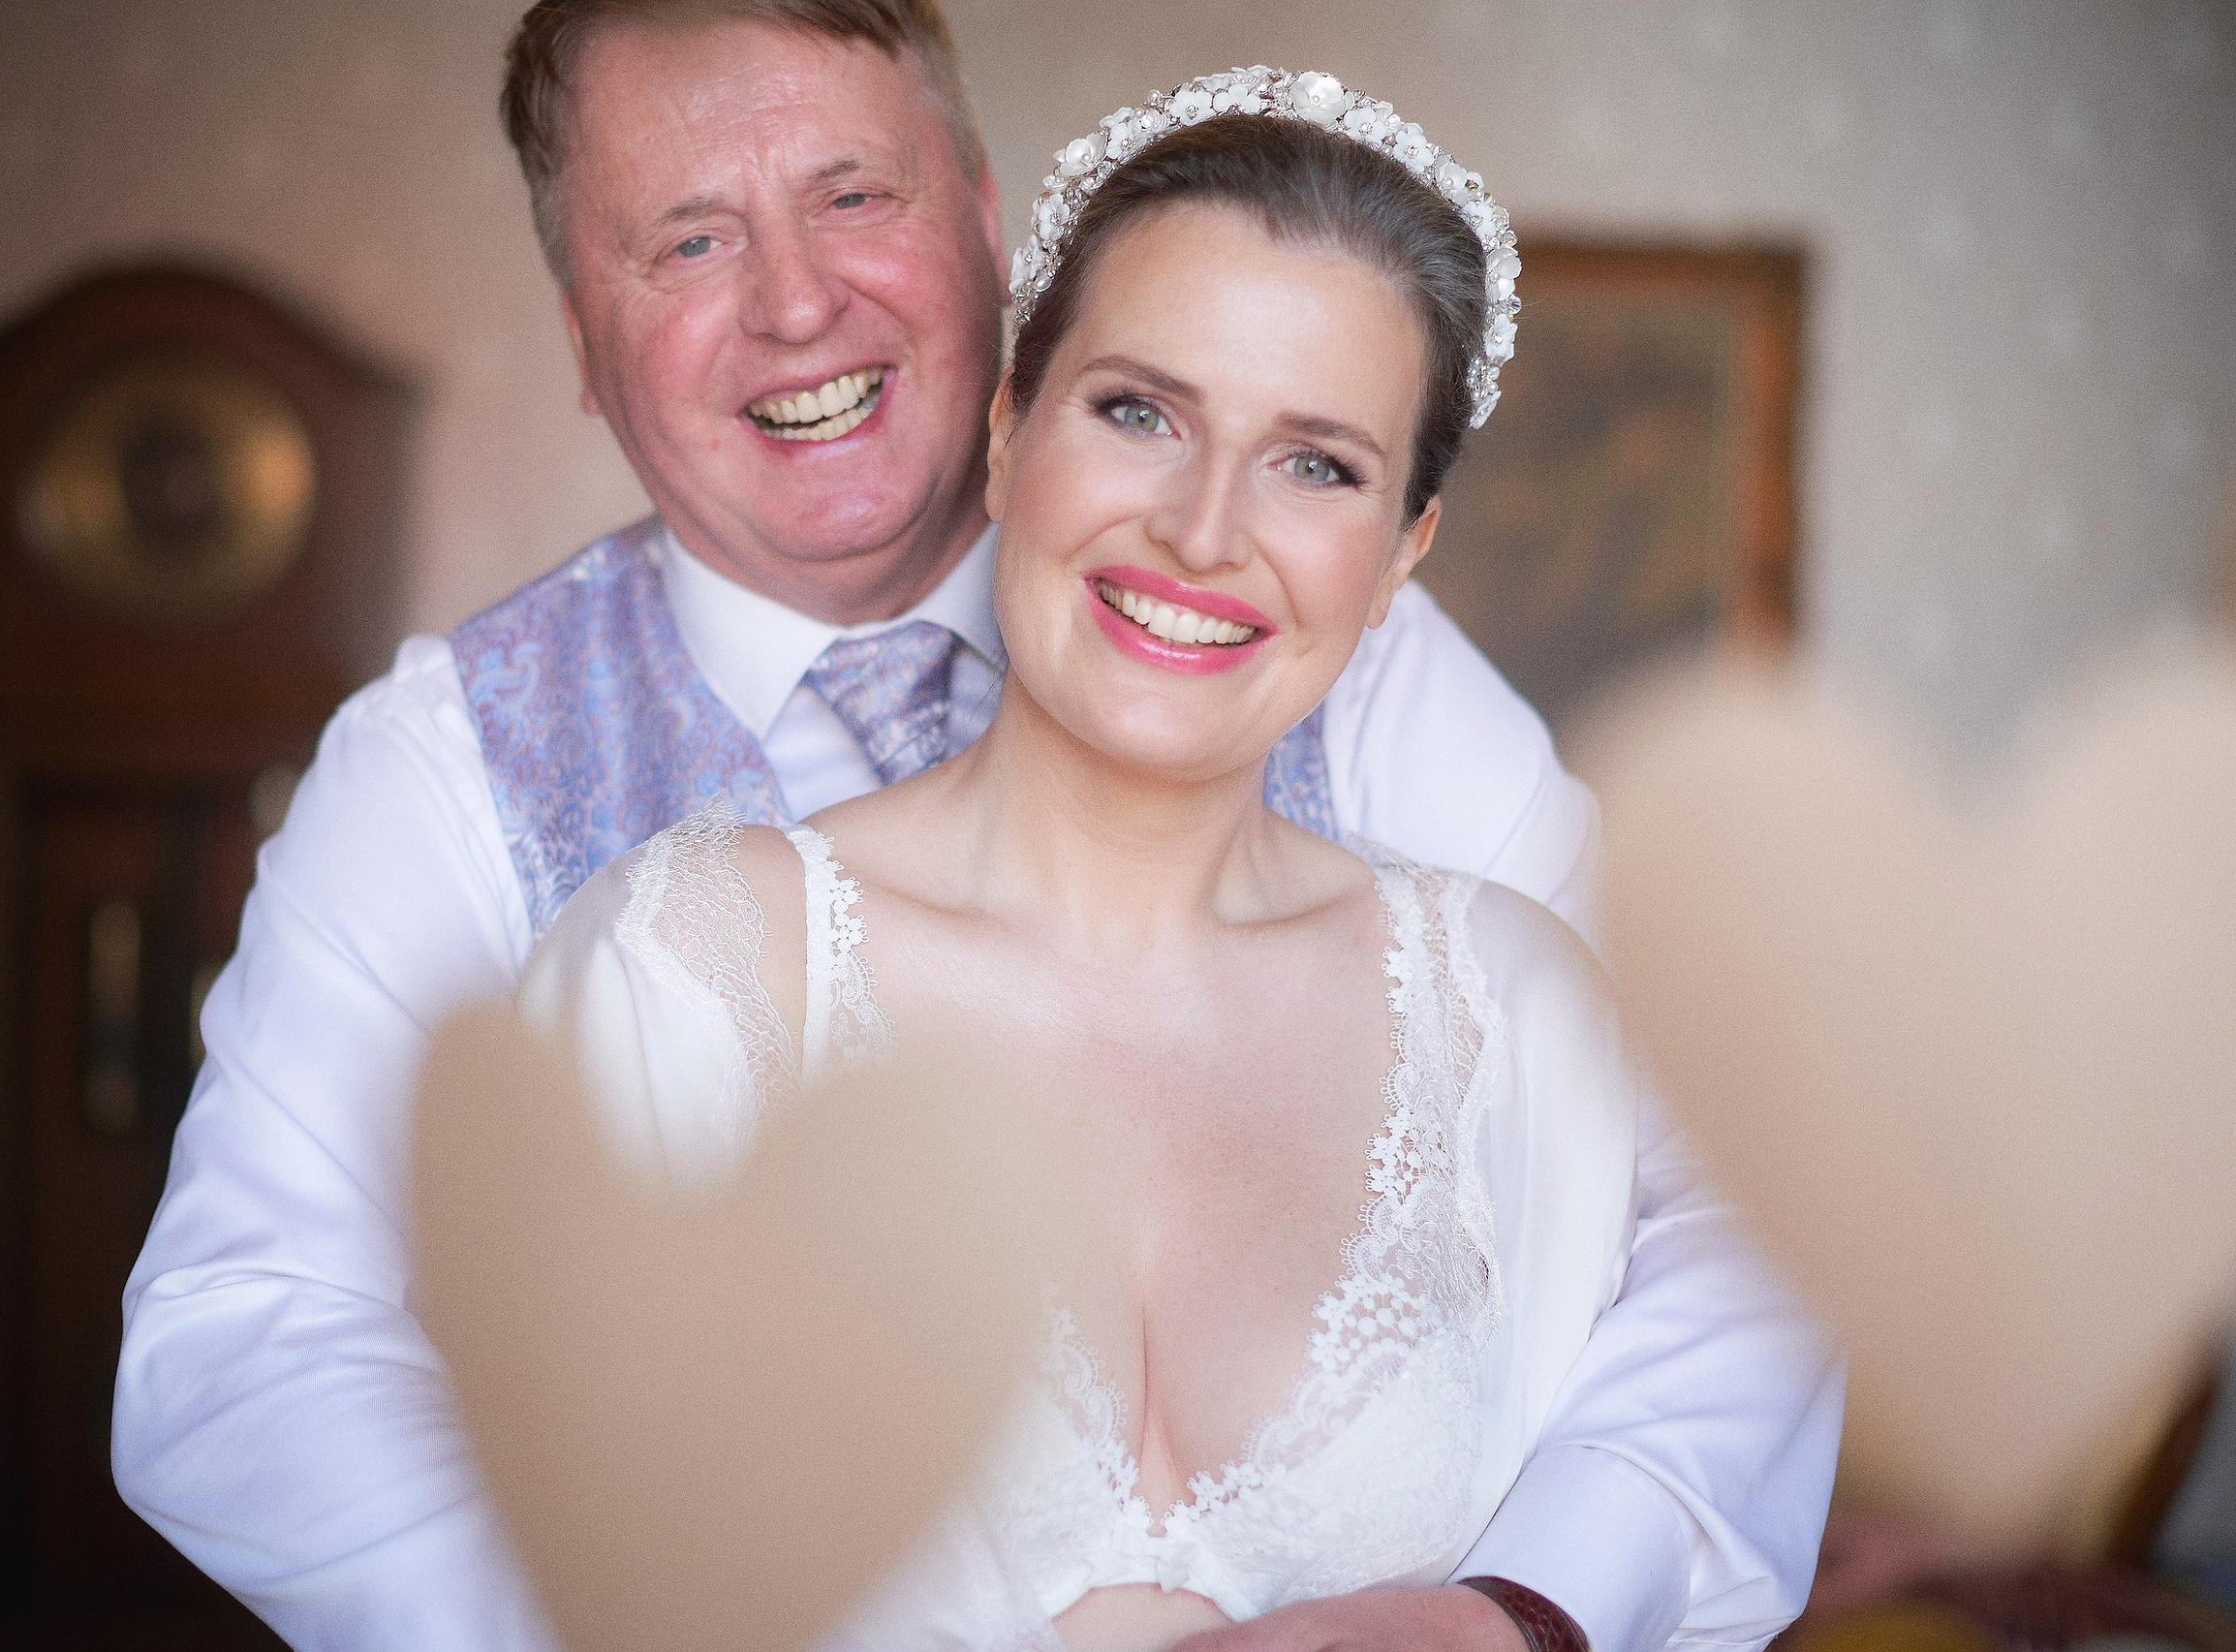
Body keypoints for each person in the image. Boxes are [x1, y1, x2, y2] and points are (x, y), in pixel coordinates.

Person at [111, 6, 1841, 1650]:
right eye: (689, 240)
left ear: (985, 229)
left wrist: (1525, 1604)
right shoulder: (450, 771)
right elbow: (251, 1345)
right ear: (580, 337)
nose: (796, 305)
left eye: (852, 197)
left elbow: (1728, 1195)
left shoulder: (1335, 660)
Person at [513, 83, 1649, 1651]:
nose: (1200, 529)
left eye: (1313, 464)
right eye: (1139, 413)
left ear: (1401, 557)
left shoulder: (1517, 1018)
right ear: (1005, 439)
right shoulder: (687, 977)